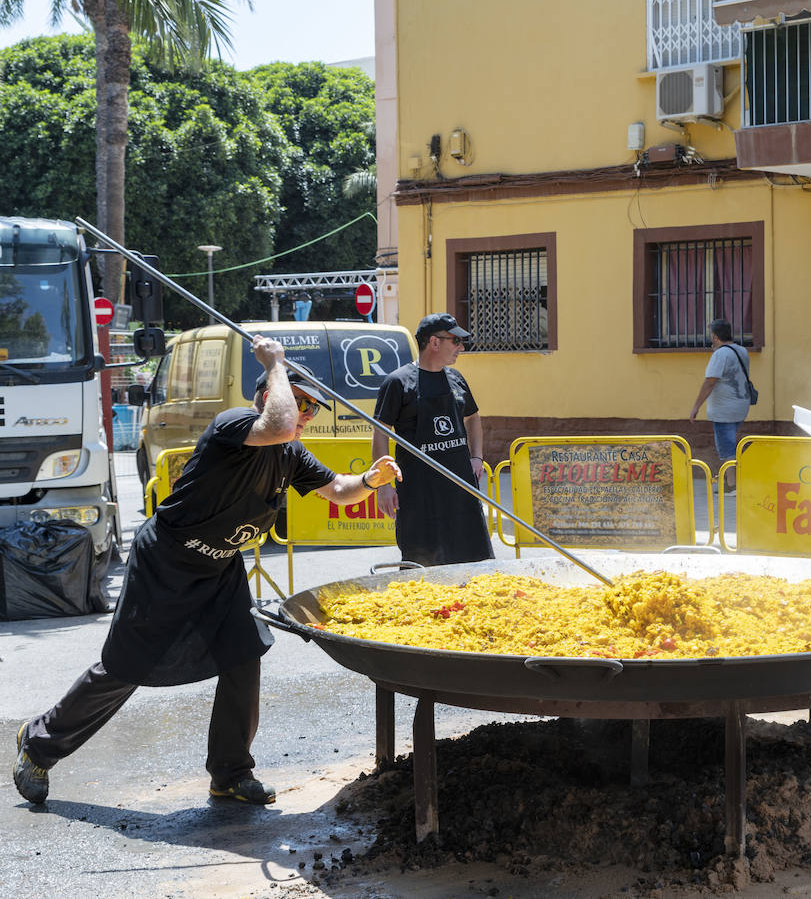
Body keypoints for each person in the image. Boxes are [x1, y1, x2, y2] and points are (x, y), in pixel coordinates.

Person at [13, 339, 401, 806]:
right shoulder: (235, 425)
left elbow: (339, 489)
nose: (303, 415)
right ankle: (38, 744)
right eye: (298, 402)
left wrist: (370, 480)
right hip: (168, 564)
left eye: (311, 409)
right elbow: (276, 424)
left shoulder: (291, 456)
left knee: (243, 655)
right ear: (266, 395)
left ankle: (231, 773)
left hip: (221, 568)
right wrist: (275, 363)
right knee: (124, 668)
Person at [372, 312, 493, 566]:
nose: (461, 347)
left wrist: (476, 456)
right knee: (422, 565)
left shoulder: (456, 379)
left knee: (473, 561)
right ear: (434, 343)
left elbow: (473, 418)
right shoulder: (397, 382)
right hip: (419, 493)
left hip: (461, 488)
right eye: (455, 341)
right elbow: (380, 431)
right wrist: (383, 484)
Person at [688, 319, 751, 491]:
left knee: (726, 447)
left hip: (725, 409)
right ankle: (732, 481)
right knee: (731, 443)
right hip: (741, 405)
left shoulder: (720, 354)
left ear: (715, 337)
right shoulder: (742, 351)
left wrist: (695, 407)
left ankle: (731, 486)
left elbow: (710, 382)